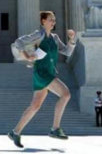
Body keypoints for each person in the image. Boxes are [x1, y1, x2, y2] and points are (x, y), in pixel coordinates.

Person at [7, 11, 76, 148]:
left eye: (54, 20)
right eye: (50, 19)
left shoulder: (55, 37)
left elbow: (67, 52)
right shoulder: (39, 34)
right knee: (65, 94)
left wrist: (72, 39)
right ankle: (55, 128)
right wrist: (26, 56)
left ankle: (15, 132)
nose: (53, 22)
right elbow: (19, 42)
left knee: (35, 106)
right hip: (42, 73)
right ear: (43, 21)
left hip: (48, 72)